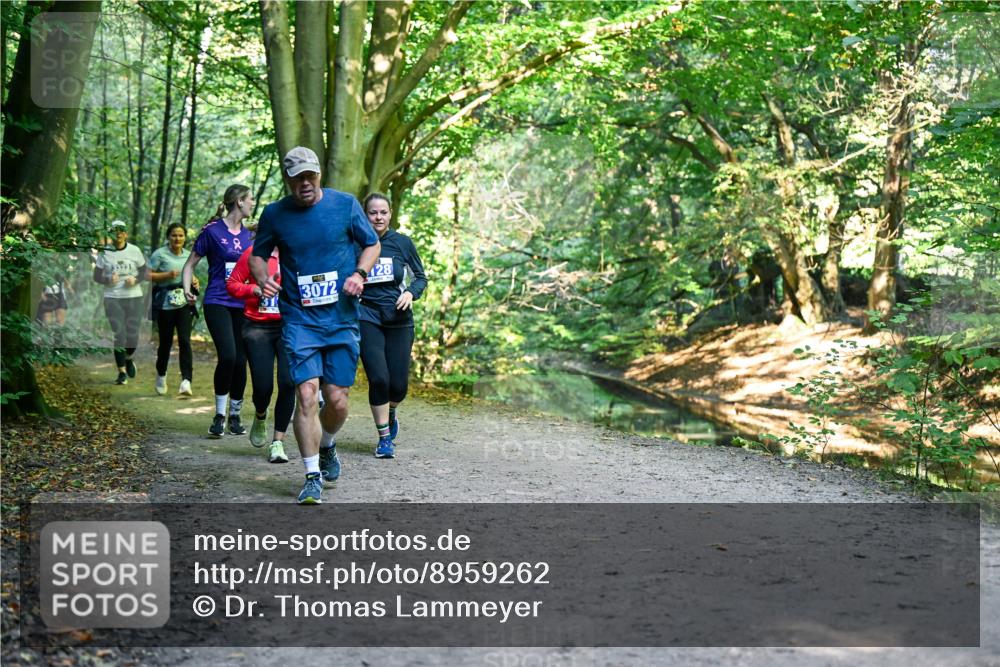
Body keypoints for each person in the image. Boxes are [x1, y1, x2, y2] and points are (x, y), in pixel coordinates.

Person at [251, 146, 380, 504]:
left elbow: (372, 244)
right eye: (297, 178)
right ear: (288, 179)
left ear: (319, 175)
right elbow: (258, 255)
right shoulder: (275, 214)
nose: (305, 183)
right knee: (306, 394)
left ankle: (327, 445)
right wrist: (263, 279)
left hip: (341, 317)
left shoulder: (345, 204)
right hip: (299, 319)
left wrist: (360, 273)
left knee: (336, 400)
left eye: (310, 176)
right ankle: (311, 476)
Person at [358, 193, 427, 459]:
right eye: (373, 212)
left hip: (399, 319)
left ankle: (392, 409)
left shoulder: (402, 243)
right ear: (365, 215)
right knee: (379, 378)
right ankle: (384, 438)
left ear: (390, 214)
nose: (378, 217)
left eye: (383, 212)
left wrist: (410, 293)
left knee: (398, 386)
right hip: (366, 315)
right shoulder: (357, 243)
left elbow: (420, 277)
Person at [182, 185, 254, 437]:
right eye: (250, 199)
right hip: (217, 300)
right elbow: (189, 264)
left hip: (243, 304)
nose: (253, 203)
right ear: (239, 202)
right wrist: (186, 288)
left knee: (241, 360)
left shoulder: (250, 237)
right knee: (228, 356)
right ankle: (219, 415)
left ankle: (235, 415)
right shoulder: (212, 231)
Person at [227, 244, 294, 464]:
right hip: (258, 327)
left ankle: (278, 442)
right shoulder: (254, 253)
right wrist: (254, 290)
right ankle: (260, 413)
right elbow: (232, 284)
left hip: (290, 326)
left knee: (287, 382)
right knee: (263, 386)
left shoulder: (297, 249)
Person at [94, 220, 147, 385]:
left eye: (121, 230)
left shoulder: (134, 251)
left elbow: (144, 271)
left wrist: (136, 279)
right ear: (110, 234)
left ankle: (129, 357)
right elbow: (96, 276)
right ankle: (121, 372)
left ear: (126, 234)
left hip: (133, 297)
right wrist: (107, 279)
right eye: (115, 231)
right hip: (112, 297)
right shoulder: (105, 253)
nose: (118, 233)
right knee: (120, 333)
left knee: (133, 334)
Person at [149, 223, 198, 396]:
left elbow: (191, 273)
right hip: (165, 304)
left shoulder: (188, 255)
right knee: (166, 343)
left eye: (180, 235)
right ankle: (161, 375)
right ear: (168, 237)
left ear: (185, 237)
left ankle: (186, 381)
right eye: (174, 235)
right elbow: (147, 274)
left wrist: (194, 281)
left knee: (185, 341)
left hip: (184, 303)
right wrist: (166, 276)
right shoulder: (160, 254)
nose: (177, 239)